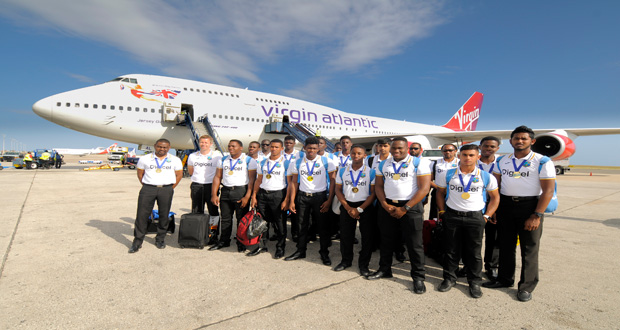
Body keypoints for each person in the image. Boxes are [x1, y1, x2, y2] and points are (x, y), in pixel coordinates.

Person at [483, 125, 556, 302]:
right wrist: (494, 210)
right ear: (511, 141)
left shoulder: (542, 161)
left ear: (532, 141)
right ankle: (504, 279)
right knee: (505, 245)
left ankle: (526, 286)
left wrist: (536, 215)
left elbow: (547, 191)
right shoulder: (502, 161)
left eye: (524, 138)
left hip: (530, 206)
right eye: (516, 138)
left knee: (529, 248)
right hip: (506, 205)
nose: (520, 141)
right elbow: (496, 187)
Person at [435, 144, 500, 298]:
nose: (467, 158)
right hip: (452, 216)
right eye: (464, 155)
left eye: (471, 155)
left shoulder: (486, 176)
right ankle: (449, 279)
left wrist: (487, 216)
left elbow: (495, 197)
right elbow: (439, 193)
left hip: (475, 217)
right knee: (451, 250)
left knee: (474, 252)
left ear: (478, 157)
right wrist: (442, 211)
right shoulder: (449, 174)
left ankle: (474, 282)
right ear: (459, 156)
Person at [369, 137, 431, 295]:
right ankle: (385, 269)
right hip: (388, 206)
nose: (396, 151)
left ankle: (418, 277)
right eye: (394, 148)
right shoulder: (384, 164)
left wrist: (405, 208)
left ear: (407, 148)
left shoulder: (418, 163)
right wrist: (384, 204)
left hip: (411, 207)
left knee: (414, 244)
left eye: (400, 149)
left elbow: (424, 189)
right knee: (386, 240)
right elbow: (379, 186)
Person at [285, 137, 337, 264]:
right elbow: (294, 183)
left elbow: (333, 182)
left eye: (314, 148)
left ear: (318, 148)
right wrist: (292, 201)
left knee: (322, 227)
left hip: (320, 197)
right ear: (304, 148)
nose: (311, 151)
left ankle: (324, 253)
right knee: (301, 225)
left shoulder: (327, 162)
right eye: (309, 148)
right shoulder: (297, 163)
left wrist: (329, 200)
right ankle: (300, 251)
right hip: (302, 197)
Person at [129, 139, 183, 253]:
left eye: (165, 147)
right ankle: (137, 241)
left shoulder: (175, 160)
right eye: (159, 147)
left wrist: (170, 188)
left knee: (164, 214)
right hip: (148, 188)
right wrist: (148, 185)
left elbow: (179, 175)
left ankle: (160, 239)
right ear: (155, 146)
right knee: (141, 215)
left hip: (166, 189)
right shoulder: (145, 159)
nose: (162, 149)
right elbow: (140, 174)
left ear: (169, 147)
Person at [334, 144, 376, 275]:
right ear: (350, 154)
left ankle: (364, 265)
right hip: (347, 205)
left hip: (365, 206)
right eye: (353, 153)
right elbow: (338, 190)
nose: (356, 156)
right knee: (346, 236)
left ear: (365, 155)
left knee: (367, 237)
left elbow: (373, 193)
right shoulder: (343, 170)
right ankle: (346, 261)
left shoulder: (371, 172)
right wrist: (347, 207)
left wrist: (360, 209)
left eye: (359, 153)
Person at [210, 140, 257, 252]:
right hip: (226, 191)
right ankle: (224, 241)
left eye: (233, 146)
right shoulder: (223, 160)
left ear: (241, 148)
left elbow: (252, 180)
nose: (230, 148)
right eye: (229, 146)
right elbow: (217, 177)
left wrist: (247, 196)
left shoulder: (249, 160)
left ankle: (241, 242)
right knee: (225, 218)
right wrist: (214, 194)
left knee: (241, 219)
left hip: (240, 191)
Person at [250, 139, 289, 258]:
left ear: (281, 149)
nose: (273, 149)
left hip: (278, 194)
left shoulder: (286, 163)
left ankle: (280, 248)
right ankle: (262, 245)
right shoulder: (262, 162)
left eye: (277, 147)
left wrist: (286, 199)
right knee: (262, 222)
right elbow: (258, 180)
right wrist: (254, 196)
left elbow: (291, 183)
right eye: (272, 147)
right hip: (263, 194)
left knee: (280, 222)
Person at [187, 135, 222, 245]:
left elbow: (219, 172)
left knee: (213, 212)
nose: (204, 144)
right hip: (197, 186)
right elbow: (191, 171)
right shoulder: (192, 156)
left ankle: (213, 235)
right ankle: (199, 234)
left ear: (211, 144)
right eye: (202, 142)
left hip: (211, 186)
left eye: (206, 143)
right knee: (197, 211)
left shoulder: (217, 156)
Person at [478, 136, 501, 280]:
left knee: (493, 238)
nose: (488, 149)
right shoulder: (470, 161)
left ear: (497, 149)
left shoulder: (502, 164)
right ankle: (469, 265)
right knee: (472, 238)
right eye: (485, 146)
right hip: (474, 204)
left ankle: (491, 267)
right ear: (480, 147)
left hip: (494, 203)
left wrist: (495, 209)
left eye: (492, 147)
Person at [429, 144, 458, 219]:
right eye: (445, 150)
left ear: (455, 151)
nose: (447, 152)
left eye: (450, 150)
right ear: (442, 151)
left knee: (453, 216)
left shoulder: (460, 163)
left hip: (455, 193)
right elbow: (429, 180)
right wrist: (440, 189)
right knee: (436, 217)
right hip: (438, 192)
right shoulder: (435, 163)